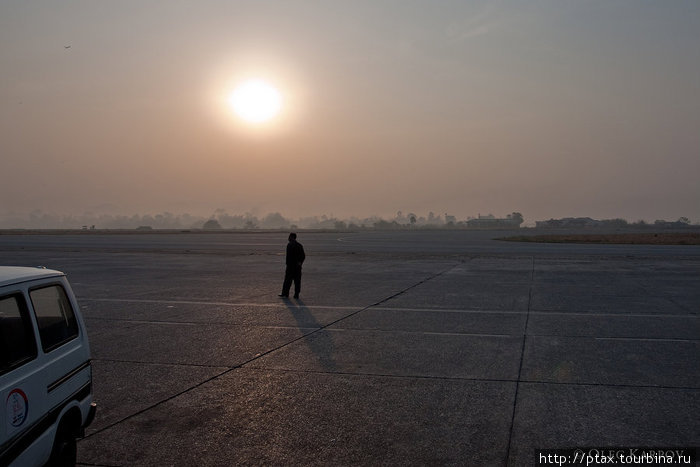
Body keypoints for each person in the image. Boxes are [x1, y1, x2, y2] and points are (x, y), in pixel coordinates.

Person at [279, 232, 305, 299]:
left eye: (289, 237)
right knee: (293, 281)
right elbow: (303, 256)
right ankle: (291, 294)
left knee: (291, 281)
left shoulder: (293, 245)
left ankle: (289, 294)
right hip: (293, 266)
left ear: (292, 237)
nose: (288, 238)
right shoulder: (295, 245)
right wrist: (300, 263)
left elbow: (302, 256)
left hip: (293, 267)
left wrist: (299, 263)